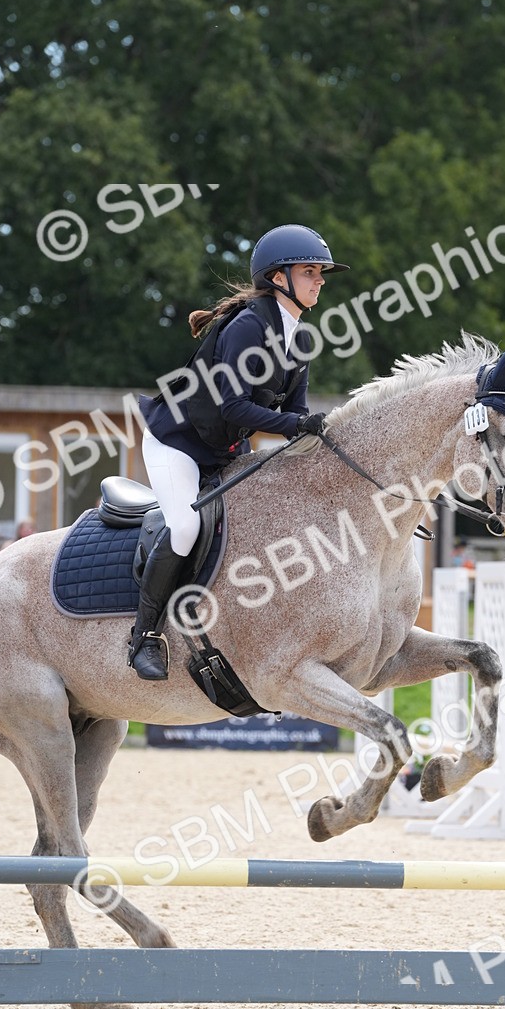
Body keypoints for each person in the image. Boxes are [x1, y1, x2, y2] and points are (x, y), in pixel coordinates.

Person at [132, 223, 349, 680]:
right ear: (278, 278)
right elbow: (234, 406)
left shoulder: (300, 337)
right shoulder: (248, 327)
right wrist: (297, 425)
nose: (319, 281)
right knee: (186, 526)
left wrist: (324, 445)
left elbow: (295, 413)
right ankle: (144, 635)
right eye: (310, 272)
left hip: (225, 447)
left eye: (320, 273)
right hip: (178, 443)